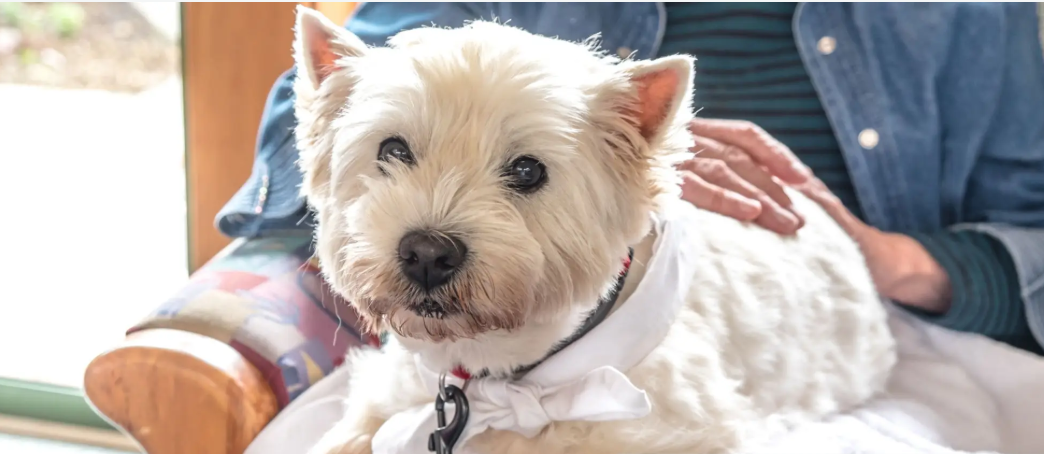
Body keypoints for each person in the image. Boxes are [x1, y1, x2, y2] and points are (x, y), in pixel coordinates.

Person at [217, 2, 1044, 355]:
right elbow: (330, 90)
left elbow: (1031, 224)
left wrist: (890, 260)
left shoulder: (973, 12)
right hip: (559, 308)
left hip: (858, 318)